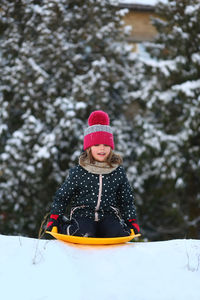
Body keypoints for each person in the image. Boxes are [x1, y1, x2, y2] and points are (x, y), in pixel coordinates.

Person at [46, 110, 140, 238]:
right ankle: (64, 226)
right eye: (96, 144)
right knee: (82, 231)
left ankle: (109, 231)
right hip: (83, 215)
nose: (102, 148)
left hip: (108, 215)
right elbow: (63, 196)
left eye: (106, 145)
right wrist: (54, 218)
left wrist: (131, 221)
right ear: (89, 148)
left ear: (111, 148)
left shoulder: (117, 172)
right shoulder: (79, 171)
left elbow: (126, 200)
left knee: (116, 233)